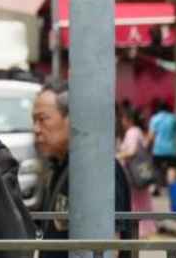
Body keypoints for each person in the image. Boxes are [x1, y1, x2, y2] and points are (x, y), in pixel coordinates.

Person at [31, 79, 133, 242]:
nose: (36, 129)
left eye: (43, 119)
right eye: (34, 121)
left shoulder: (97, 168)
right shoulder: (60, 165)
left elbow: (110, 246)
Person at [115, 106, 154, 237]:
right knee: (142, 201)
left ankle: (140, 230)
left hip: (132, 174)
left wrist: (117, 156)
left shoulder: (131, 132)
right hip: (137, 173)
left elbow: (131, 151)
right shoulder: (137, 131)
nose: (121, 122)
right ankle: (145, 229)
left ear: (128, 120)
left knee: (135, 202)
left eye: (122, 119)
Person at [148, 98, 176, 190]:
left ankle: (156, 187)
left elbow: (151, 136)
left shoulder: (154, 119)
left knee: (157, 168)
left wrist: (147, 146)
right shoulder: (173, 118)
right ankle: (172, 189)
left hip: (158, 149)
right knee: (171, 169)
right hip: (172, 149)